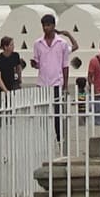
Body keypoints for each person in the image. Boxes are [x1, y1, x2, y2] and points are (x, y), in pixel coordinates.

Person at [31, 13, 76, 141]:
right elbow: (38, 63)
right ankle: (44, 138)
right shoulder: (38, 44)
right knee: (43, 113)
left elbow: (65, 65)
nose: (46, 28)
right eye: (44, 25)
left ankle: (59, 139)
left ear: (54, 26)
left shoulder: (62, 43)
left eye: (48, 25)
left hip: (57, 82)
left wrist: (65, 86)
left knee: (57, 113)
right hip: (42, 83)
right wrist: (34, 64)